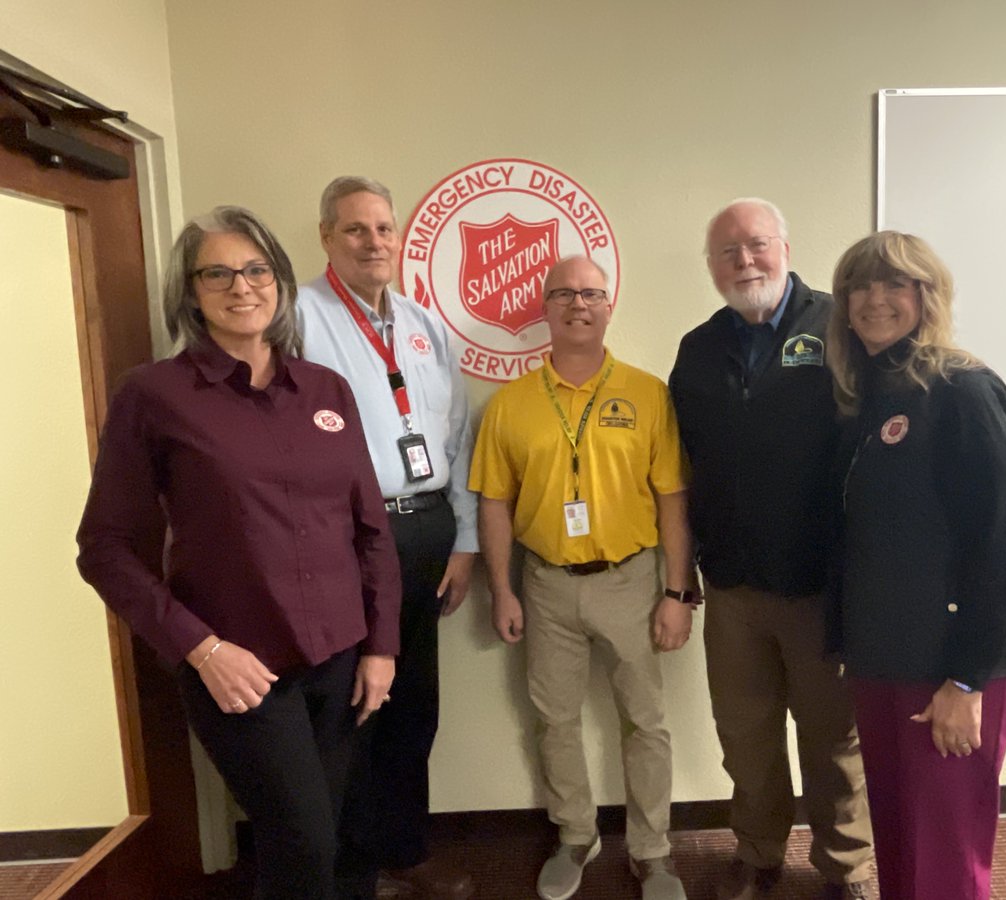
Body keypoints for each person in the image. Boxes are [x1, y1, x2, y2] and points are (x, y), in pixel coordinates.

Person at [76, 206, 400, 900]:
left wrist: (382, 647)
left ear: (279, 281)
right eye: (216, 272)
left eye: (256, 270)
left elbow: (370, 528)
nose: (241, 286)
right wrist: (201, 649)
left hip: (341, 662)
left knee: (324, 840)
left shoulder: (325, 390)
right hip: (241, 672)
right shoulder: (154, 396)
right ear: (190, 292)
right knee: (302, 843)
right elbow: (102, 548)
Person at [825, 231, 1006, 900]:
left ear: (926, 297)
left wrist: (966, 682)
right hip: (887, 652)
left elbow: (1003, 542)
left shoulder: (962, 391)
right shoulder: (867, 395)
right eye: (860, 287)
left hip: (954, 660)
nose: (875, 300)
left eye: (893, 284)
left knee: (945, 847)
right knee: (899, 830)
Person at [669, 198, 874, 900]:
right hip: (732, 587)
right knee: (746, 739)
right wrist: (686, 569)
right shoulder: (698, 349)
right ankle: (758, 854)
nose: (744, 261)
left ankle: (846, 868)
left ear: (785, 247)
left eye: (756, 245)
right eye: (727, 251)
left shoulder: (841, 327)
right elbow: (685, 464)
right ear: (711, 266)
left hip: (820, 585)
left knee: (832, 742)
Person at [470, 256, 692, 900]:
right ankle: (576, 834)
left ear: (608, 304)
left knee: (645, 722)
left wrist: (677, 593)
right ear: (544, 307)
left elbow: (674, 498)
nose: (577, 304)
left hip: (630, 579)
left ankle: (653, 853)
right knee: (554, 718)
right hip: (544, 584)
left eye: (590, 293)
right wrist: (503, 588)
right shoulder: (510, 405)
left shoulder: (648, 393)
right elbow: (492, 503)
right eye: (563, 294)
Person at [296, 176, 478, 900]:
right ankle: (348, 870)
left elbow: (458, 437)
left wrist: (463, 540)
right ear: (326, 238)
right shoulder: (299, 319)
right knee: (349, 705)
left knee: (412, 702)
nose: (374, 242)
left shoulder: (424, 325)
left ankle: (404, 848)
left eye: (383, 229)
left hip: (427, 530)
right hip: (343, 537)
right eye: (355, 230)